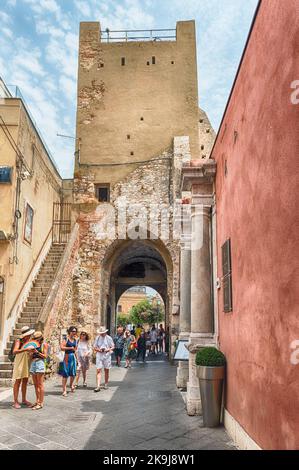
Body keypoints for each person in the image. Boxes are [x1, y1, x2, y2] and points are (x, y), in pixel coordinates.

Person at [11, 326, 35, 409]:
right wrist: (25, 349)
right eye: (29, 334)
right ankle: (15, 401)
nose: (30, 336)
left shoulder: (29, 341)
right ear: (25, 335)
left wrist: (31, 352)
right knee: (18, 381)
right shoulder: (19, 341)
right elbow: (14, 351)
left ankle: (24, 399)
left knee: (25, 380)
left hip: (26, 361)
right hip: (19, 361)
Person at [29, 331, 48, 410]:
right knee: (35, 384)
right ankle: (37, 401)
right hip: (33, 363)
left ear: (40, 338)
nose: (35, 340)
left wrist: (37, 352)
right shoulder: (33, 345)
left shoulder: (44, 345)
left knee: (40, 384)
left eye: (37, 339)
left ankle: (41, 403)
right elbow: (30, 357)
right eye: (34, 339)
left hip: (40, 363)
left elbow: (45, 356)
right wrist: (30, 352)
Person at [58, 326, 78, 397]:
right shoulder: (66, 339)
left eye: (75, 331)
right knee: (65, 374)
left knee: (73, 373)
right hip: (66, 356)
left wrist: (77, 359)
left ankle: (71, 385)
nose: (74, 332)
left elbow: (75, 350)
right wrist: (70, 347)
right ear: (69, 331)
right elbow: (61, 347)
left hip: (73, 357)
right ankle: (64, 390)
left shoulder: (75, 340)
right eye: (73, 331)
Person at [93, 326, 114, 392]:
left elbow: (113, 346)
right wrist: (99, 350)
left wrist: (108, 349)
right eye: (100, 333)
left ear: (105, 332)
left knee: (106, 370)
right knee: (98, 370)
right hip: (99, 355)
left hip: (107, 355)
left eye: (103, 333)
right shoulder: (97, 338)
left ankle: (106, 384)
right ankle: (98, 386)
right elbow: (94, 347)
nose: (101, 334)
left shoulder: (109, 338)